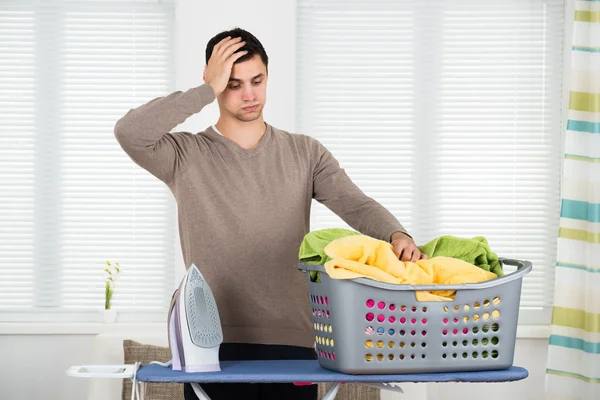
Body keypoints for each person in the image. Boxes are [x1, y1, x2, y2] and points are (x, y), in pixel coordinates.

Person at [114, 27, 426, 400]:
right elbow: (130, 132)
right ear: (213, 82)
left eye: (257, 81)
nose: (249, 94)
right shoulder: (184, 155)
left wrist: (396, 234)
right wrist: (203, 92)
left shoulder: (305, 153)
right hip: (209, 344)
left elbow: (354, 202)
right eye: (232, 84)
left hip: (293, 342)